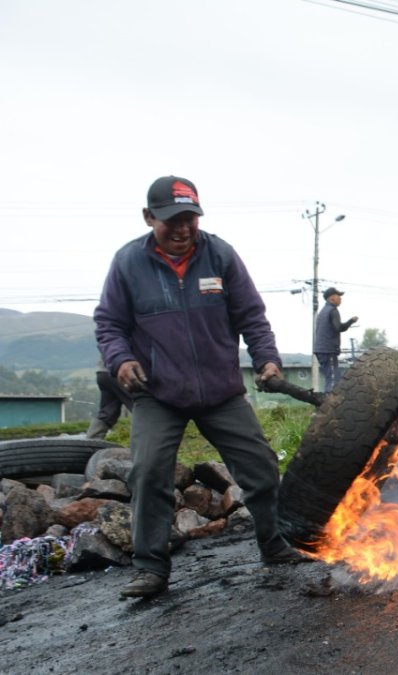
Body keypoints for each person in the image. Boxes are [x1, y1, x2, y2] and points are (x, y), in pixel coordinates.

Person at [94, 175, 311, 599]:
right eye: (171, 220)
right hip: (158, 393)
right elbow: (109, 324)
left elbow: (252, 316)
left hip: (221, 390)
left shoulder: (221, 255)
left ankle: (275, 544)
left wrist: (267, 358)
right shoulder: (127, 263)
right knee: (149, 472)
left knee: (261, 467)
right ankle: (151, 569)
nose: (182, 229)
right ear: (148, 217)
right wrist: (121, 360)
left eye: (190, 218)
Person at [313, 287, 357, 393]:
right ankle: (329, 406)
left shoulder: (323, 311)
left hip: (321, 350)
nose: (341, 299)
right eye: (339, 296)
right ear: (332, 298)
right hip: (328, 350)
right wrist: (351, 321)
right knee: (334, 381)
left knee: (331, 378)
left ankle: (328, 404)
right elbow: (338, 327)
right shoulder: (333, 310)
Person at [85, 366, 133, 439]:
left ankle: (91, 442)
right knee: (143, 409)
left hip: (103, 372)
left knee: (107, 412)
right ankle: (142, 446)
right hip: (124, 371)